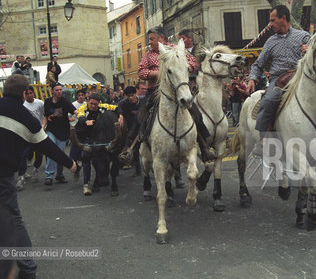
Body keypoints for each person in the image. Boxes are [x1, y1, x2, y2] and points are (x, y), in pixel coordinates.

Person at [0, 75, 77, 279]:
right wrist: (70, 163)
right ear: (25, 93)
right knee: (13, 219)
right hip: (3, 176)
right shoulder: (25, 117)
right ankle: (27, 268)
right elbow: (48, 147)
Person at [138, 26, 216, 163]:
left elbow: (192, 63)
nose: (149, 42)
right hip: (154, 90)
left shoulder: (177, 49)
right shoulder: (148, 55)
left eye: (152, 39)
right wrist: (160, 73)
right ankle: (134, 146)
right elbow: (141, 72)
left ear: (161, 38)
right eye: (149, 39)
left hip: (177, 88)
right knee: (142, 114)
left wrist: (184, 69)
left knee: (196, 113)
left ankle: (205, 146)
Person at [246, 5, 311, 155]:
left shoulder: (304, 36)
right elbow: (258, 64)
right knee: (269, 100)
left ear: (283, 18)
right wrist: (252, 79)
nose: (270, 24)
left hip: (300, 77)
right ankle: (263, 140)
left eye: (273, 20)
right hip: (279, 79)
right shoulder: (270, 42)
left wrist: (310, 51)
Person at [75, 94, 123, 195]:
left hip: (102, 136)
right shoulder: (82, 108)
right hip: (85, 135)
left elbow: (117, 107)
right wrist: (86, 121)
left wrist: (121, 115)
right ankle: (86, 181)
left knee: (112, 155)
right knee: (83, 156)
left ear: (99, 103)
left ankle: (104, 180)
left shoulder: (103, 106)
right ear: (88, 101)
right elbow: (80, 117)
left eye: (95, 104)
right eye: (91, 104)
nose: (93, 106)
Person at [43, 82, 78, 185]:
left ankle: (60, 175)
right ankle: (49, 176)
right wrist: (42, 126)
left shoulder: (65, 102)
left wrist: (79, 114)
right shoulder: (47, 102)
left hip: (63, 132)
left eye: (60, 90)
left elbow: (74, 110)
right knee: (51, 152)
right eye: (57, 90)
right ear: (52, 91)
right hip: (51, 130)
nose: (59, 92)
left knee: (60, 153)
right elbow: (46, 116)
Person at [16, 87, 45, 191]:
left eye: (31, 93)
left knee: (39, 155)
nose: (29, 95)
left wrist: (43, 125)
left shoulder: (40, 103)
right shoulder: (22, 105)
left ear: (33, 93)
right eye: (27, 93)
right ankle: (21, 176)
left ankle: (36, 169)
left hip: (38, 132)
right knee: (23, 154)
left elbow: (45, 115)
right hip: (26, 133)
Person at [118, 86, 142, 175]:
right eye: (128, 96)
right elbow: (119, 106)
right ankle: (138, 169)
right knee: (135, 150)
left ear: (136, 93)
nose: (130, 98)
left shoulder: (142, 101)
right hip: (132, 129)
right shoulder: (124, 103)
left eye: (132, 95)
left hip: (143, 127)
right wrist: (120, 115)